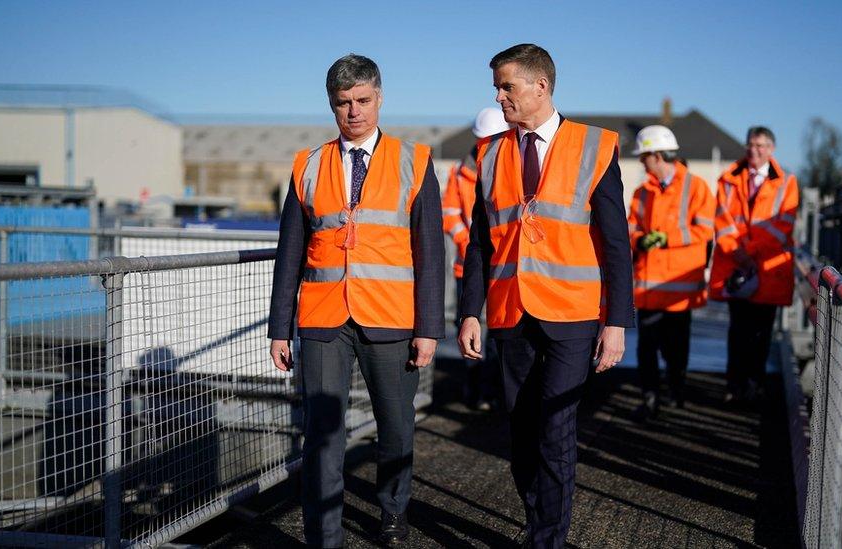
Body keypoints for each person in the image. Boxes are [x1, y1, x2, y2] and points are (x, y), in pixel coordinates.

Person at [458, 44, 634, 548]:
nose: (498, 96)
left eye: (506, 86)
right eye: (496, 86)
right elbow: (480, 242)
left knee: (556, 429)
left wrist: (615, 321)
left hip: (573, 314)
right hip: (510, 312)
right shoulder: (489, 153)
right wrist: (470, 311)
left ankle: (547, 540)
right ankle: (539, 519)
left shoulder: (595, 146)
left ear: (541, 86)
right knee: (521, 433)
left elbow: (615, 241)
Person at [267, 54, 445, 548]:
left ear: (379, 98)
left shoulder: (416, 160)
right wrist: (279, 327)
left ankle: (392, 510)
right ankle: (325, 534)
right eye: (343, 103)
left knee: (395, 426)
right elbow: (291, 251)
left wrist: (429, 327)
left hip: (391, 320)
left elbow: (431, 251)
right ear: (331, 105)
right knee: (322, 434)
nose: (354, 112)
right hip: (324, 319)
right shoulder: (308, 164)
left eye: (363, 100)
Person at [627, 125, 715, 420]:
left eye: (644, 157)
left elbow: (705, 230)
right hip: (650, 286)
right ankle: (651, 397)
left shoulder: (696, 187)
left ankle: (675, 390)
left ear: (657, 155)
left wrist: (668, 238)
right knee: (647, 348)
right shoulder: (641, 192)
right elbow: (630, 229)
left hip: (678, 287)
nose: (641, 162)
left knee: (676, 348)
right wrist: (640, 240)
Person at [710, 126, 799, 404]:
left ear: (771, 149)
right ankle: (734, 386)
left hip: (767, 269)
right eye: (751, 145)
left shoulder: (787, 183)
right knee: (737, 330)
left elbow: (782, 225)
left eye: (761, 146)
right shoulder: (728, 179)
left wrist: (747, 250)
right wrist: (738, 252)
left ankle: (755, 386)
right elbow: (721, 221)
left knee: (762, 334)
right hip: (738, 268)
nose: (754, 150)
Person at [442, 106, 509, 411]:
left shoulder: (510, 168)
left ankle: (492, 389)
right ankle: (474, 386)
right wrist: (469, 241)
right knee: (469, 327)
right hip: (467, 266)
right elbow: (450, 213)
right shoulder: (460, 172)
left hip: (502, 267)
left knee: (498, 329)